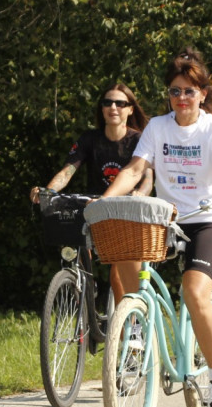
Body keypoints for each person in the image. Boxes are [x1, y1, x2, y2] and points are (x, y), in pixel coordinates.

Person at [102, 48, 212, 407]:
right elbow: (134, 170)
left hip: (211, 220)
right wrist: (102, 203)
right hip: (169, 219)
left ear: (203, 94)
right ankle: (137, 326)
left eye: (189, 91)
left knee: (195, 291)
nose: (181, 98)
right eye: (175, 91)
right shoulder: (158, 127)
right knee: (126, 253)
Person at [29, 82, 151, 303]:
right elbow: (67, 172)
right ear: (102, 108)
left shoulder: (139, 140)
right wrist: (47, 191)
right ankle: (86, 294)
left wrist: (140, 193)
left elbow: (147, 178)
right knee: (80, 255)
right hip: (93, 208)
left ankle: (131, 329)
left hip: (126, 212)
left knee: (118, 276)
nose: (113, 107)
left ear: (130, 109)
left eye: (120, 103)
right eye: (107, 102)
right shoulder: (89, 139)